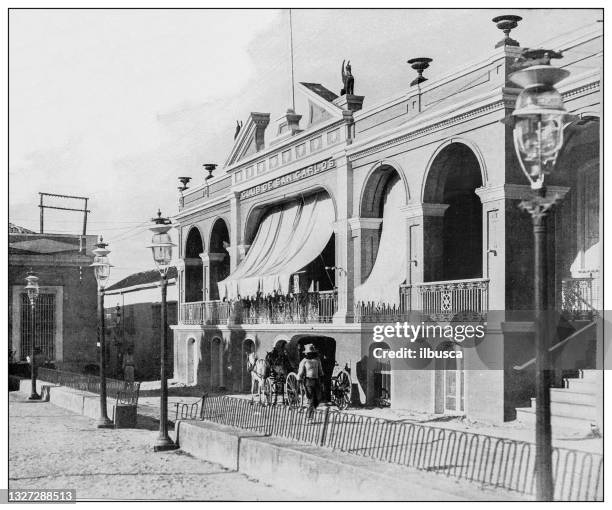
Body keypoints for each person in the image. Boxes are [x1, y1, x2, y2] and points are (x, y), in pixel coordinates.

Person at [297, 344, 324, 419]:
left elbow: (320, 370)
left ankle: (310, 411)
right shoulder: (304, 361)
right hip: (308, 381)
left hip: (316, 381)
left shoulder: (317, 360)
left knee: (318, 398)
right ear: (306, 353)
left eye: (311, 352)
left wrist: (321, 379)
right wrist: (299, 379)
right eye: (308, 353)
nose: (309, 354)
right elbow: (300, 372)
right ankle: (309, 416)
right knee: (311, 399)